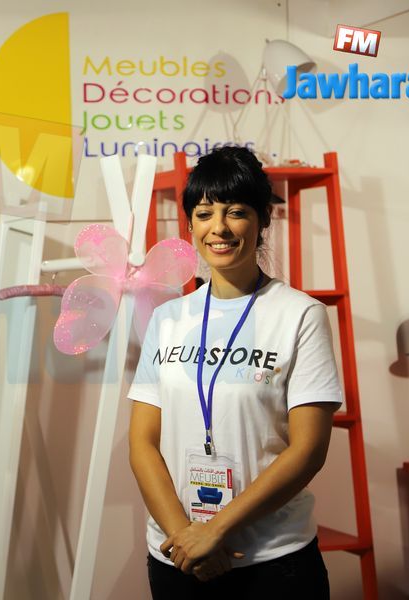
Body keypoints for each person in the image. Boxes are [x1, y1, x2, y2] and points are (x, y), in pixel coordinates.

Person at [128, 146, 341, 599]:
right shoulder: (168, 319)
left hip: (273, 561)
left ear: (263, 220)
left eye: (237, 212)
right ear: (190, 225)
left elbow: (308, 450)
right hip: (176, 558)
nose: (219, 228)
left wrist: (216, 530)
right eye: (204, 214)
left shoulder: (300, 315)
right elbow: (143, 443)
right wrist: (187, 537)